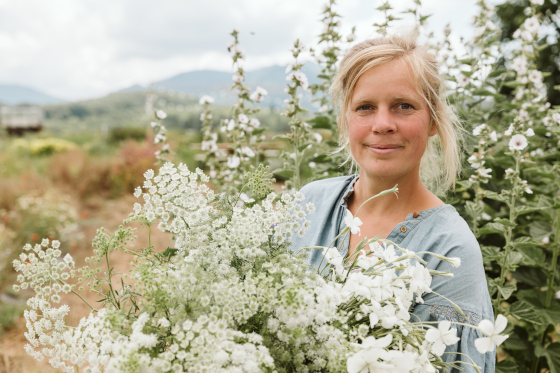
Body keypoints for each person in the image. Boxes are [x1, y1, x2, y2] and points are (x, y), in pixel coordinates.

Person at [290, 32, 495, 372]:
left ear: (432, 120)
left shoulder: (451, 250)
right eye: (365, 107)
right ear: (346, 120)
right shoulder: (308, 204)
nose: (382, 124)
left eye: (404, 106)